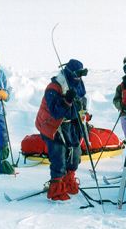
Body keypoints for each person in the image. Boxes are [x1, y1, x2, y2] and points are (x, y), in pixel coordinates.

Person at [35, 59, 89, 201]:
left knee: (75, 153)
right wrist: (66, 101)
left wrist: (84, 115)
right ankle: (56, 188)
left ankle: (68, 180)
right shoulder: (53, 87)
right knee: (59, 155)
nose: (79, 77)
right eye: (77, 74)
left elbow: (81, 104)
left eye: (81, 74)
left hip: (71, 124)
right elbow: (55, 112)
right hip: (52, 125)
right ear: (69, 72)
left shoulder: (79, 85)